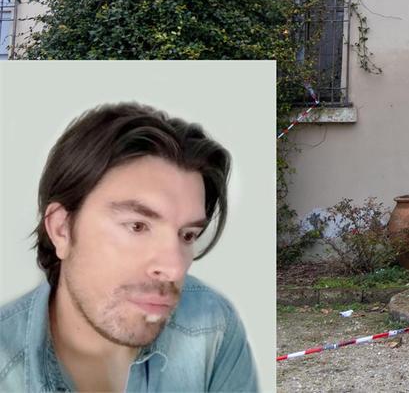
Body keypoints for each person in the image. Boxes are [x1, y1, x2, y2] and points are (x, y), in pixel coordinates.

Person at [0, 102, 258, 391]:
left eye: (187, 235)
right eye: (137, 226)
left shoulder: (212, 326)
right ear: (61, 229)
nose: (173, 268)